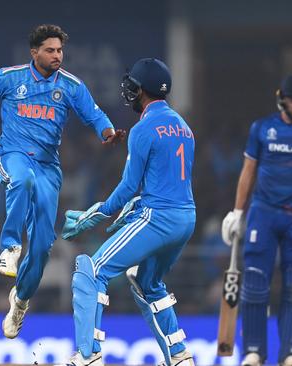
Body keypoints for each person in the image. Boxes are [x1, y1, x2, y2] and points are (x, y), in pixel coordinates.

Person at [0, 24, 124, 339]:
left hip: (48, 167)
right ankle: (9, 246)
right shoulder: (10, 77)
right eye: (50, 50)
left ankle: (20, 301)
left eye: (59, 50)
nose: (57, 55)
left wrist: (108, 133)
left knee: (44, 246)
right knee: (22, 181)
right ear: (35, 53)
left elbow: (95, 115)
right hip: (12, 156)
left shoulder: (71, 85)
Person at [58, 58, 196, 366]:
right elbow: (169, 181)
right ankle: (179, 356)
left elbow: (128, 186)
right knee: (147, 282)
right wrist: (140, 204)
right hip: (186, 219)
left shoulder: (143, 128)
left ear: (142, 90)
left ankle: (88, 354)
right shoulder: (184, 127)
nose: (129, 91)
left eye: (133, 86)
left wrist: (97, 213)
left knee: (91, 271)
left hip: (158, 219)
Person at [221, 74, 292, 366]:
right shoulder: (262, 129)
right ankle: (253, 352)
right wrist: (237, 212)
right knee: (255, 284)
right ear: (281, 98)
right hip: (263, 213)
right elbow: (248, 172)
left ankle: (291, 354)